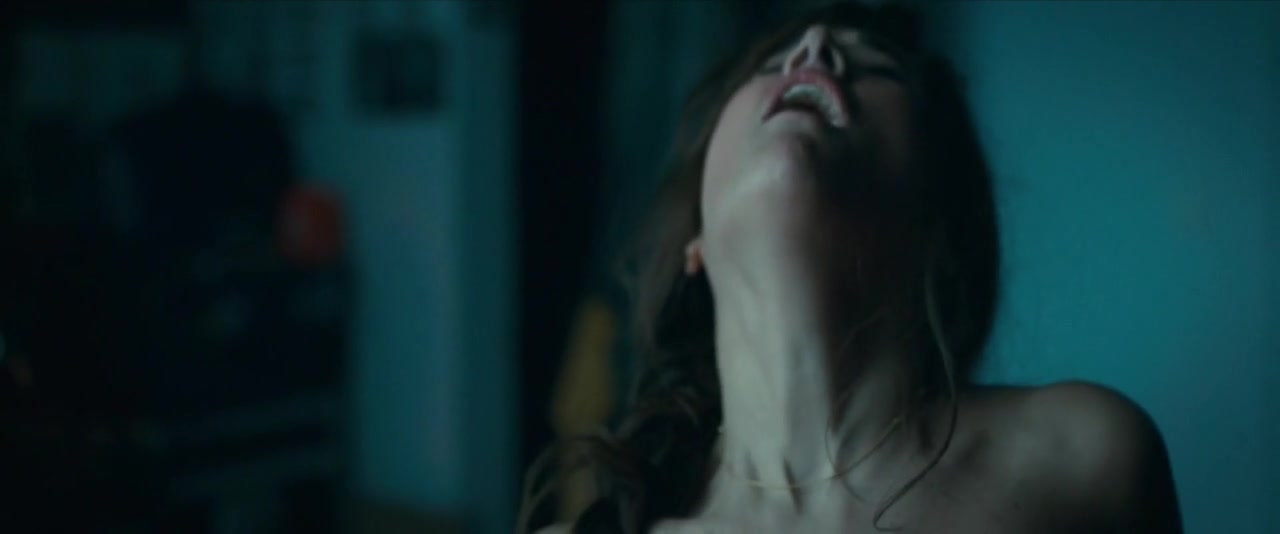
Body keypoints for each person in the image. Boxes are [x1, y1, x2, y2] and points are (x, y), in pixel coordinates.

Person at [522, 2, 1182, 532]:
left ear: (942, 224)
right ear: (694, 239)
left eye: (876, 68)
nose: (815, 46)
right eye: (772, 64)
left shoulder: (1085, 460)